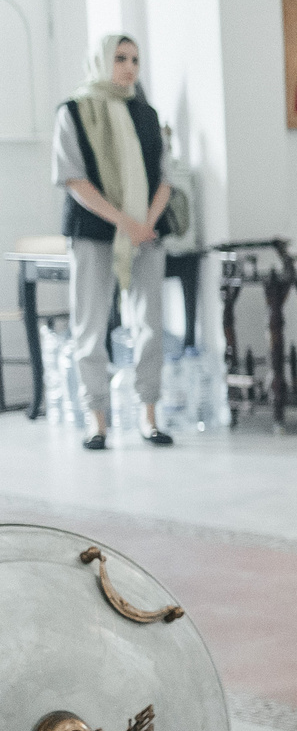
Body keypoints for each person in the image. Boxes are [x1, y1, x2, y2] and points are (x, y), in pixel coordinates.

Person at [52, 34, 176, 449]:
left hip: (146, 231)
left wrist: (144, 223)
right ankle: (97, 419)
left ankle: (149, 415)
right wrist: (124, 220)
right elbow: (73, 178)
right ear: (102, 60)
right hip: (94, 230)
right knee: (90, 324)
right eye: (120, 58)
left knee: (150, 323)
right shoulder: (73, 111)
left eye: (135, 60)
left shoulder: (147, 114)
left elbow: (164, 179)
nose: (129, 67)